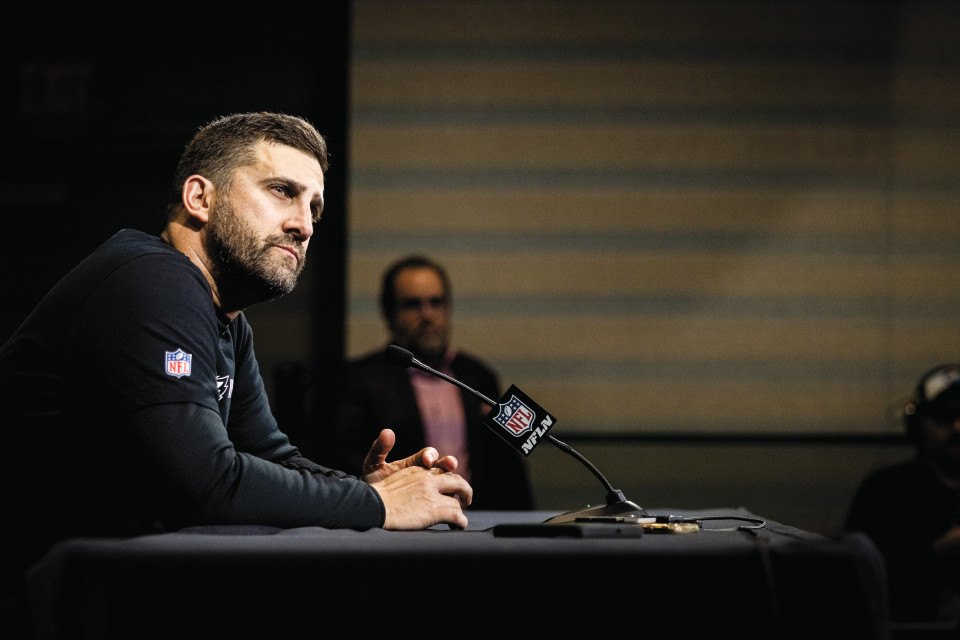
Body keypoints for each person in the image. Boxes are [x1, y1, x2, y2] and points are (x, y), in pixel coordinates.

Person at [0, 113, 474, 606]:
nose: (304, 225)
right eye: (282, 191)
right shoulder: (152, 280)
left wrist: (362, 488)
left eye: (314, 208)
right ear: (199, 198)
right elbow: (206, 482)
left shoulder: (227, 317)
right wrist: (372, 504)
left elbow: (271, 455)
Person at [324, 254, 535, 510]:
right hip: (400, 517)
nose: (427, 315)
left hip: (477, 518)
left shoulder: (478, 375)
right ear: (389, 313)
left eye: (436, 302)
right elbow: (341, 461)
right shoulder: (359, 379)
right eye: (412, 305)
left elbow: (508, 468)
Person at [844, 363, 960, 627]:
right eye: (944, 415)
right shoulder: (886, 491)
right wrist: (936, 554)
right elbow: (854, 580)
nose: (957, 426)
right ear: (918, 424)